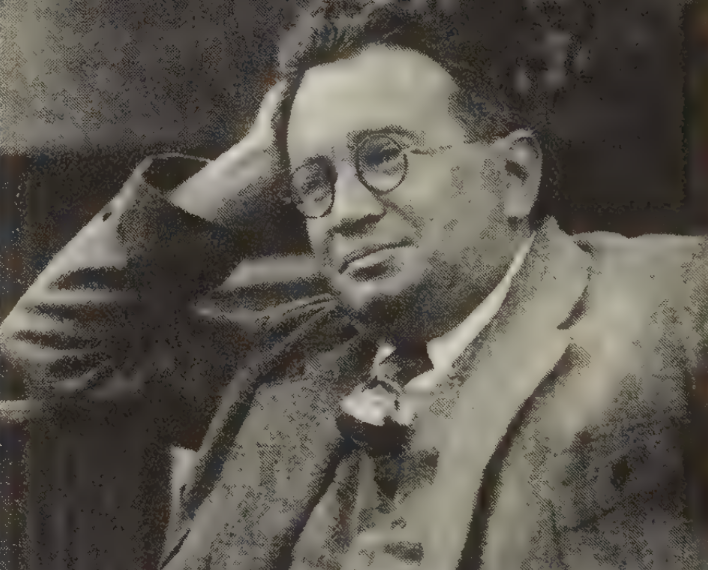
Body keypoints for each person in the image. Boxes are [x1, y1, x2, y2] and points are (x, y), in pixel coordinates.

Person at [2, 2, 708, 569]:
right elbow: (57, 342)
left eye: (385, 157)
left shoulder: (668, 306)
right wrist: (256, 157)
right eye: (314, 183)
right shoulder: (278, 365)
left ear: (513, 177)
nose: (348, 210)